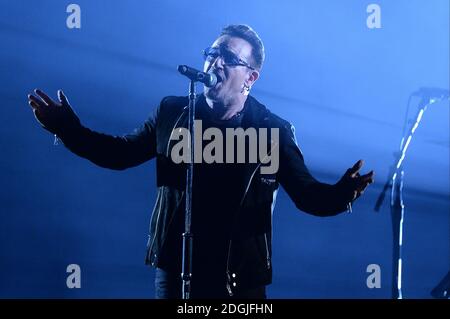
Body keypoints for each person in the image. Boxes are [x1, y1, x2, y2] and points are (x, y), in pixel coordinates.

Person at [27, 24, 374, 299]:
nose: (215, 63)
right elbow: (120, 154)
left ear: (251, 78)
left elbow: (307, 194)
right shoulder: (173, 112)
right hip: (176, 271)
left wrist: (342, 194)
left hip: (239, 280)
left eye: (228, 57)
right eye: (212, 53)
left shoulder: (272, 131)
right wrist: (70, 131)